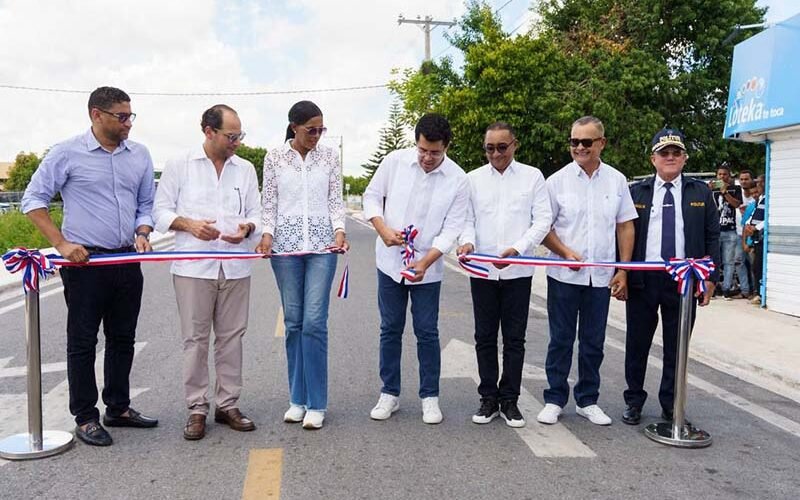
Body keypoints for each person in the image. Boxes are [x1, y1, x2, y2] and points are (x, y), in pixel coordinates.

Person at [21, 86, 158, 446]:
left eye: (131, 115)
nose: (128, 122)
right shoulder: (66, 153)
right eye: (121, 116)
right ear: (97, 115)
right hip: (86, 263)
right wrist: (62, 244)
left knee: (123, 338)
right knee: (82, 341)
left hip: (127, 258)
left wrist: (143, 230)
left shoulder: (140, 155)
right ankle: (85, 417)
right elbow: (33, 200)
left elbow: (146, 202)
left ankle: (119, 407)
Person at [153, 105, 261, 440]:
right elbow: (160, 211)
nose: (237, 142)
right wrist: (189, 225)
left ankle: (227, 404)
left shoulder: (244, 169)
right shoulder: (179, 165)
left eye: (239, 135)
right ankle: (196, 408)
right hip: (193, 267)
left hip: (235, 266)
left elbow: (256, 213)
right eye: (231, 136)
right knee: (195, 341)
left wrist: (247, 228)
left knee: (231, 339)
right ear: (208, 131)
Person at [363, 113, 469, 425]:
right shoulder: (394, 162)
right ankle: (389, 393)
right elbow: (371, 197)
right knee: (390, 328)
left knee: (427, 331)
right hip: (389, 261)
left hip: (427, 267)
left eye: (434, 152)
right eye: (422, 150)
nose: (426, 157)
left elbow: (452, 229)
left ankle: (430, 396)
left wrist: (425, 262)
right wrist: (382, 229)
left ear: (446, 147)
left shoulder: (458, 179)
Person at [536, 116, 637, 426]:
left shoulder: (617, 181)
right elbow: (543, 228)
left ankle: (587, 400)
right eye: (574, 141)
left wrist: (623, 270)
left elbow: (625, 226)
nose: (579, 147)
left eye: (586, 142)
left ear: (601, 144)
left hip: (601, 277)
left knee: (593, 341)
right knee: (561, 340)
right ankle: (554, 398)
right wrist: (564, 251)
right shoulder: (555, 182)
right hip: (564, 277)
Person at [256, 101, 348, 430]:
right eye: (312, 130)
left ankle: (318, 403)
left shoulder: (329, 157)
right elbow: (269, 202)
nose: (317, 136)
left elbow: (335, 199)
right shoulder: (274, 157)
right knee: (293, 322)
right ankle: (297, 399)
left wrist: (339, 231)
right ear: (294, 126)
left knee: (314, 322)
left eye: (321, 129)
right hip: (285, 248)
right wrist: (267, 235)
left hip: (323, 246)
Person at [622, 128, 721, 425]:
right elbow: (624, 234)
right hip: (644, 278)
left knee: (677, 346)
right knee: (637, 343)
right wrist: (623, 273)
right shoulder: (636, 192)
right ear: (653, 159)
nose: (670, 157)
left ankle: (671, 404)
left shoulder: (700, 192)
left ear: (684, 158)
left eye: (676, 153)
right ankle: (634, 401)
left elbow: (712, 235)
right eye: (664, 153)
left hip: (685, 281)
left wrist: (711, 278)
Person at [456, 122, 551, 428]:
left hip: (518, 270)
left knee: (514, 339)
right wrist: (466, 241)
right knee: (484, 337)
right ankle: (488, 398)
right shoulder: (472, 179)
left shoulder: (532, 176)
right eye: (489, 148)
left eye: (501, 147)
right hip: (482, 270)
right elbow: (466, 218)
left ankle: (509, 400)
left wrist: (519, 248)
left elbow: (543, 220)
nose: (495, 154)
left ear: (514, 145)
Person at [710, 164, 749, 299]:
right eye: (719, 174)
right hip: (714, 231)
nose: (722, 177)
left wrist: (725, 192)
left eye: (724, 174)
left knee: (729, 262)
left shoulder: (735, 188)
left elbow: (737, 204)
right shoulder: (711, 189)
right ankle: (712, 288)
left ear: (729, 175)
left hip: (730, 230)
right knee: (713, 261)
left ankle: (726, 289)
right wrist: (709, 190)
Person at [743, 175, 766, 305]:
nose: (756, 185)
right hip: (755, 238)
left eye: (758, 183)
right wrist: (748, 224)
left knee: (759, 266)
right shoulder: (759, 200)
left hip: (761, 236)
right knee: (755, 267)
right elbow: (752, 215)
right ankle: (758, 292)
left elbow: (768, 216)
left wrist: (756, 228)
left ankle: (760, 294)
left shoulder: (769, 198)